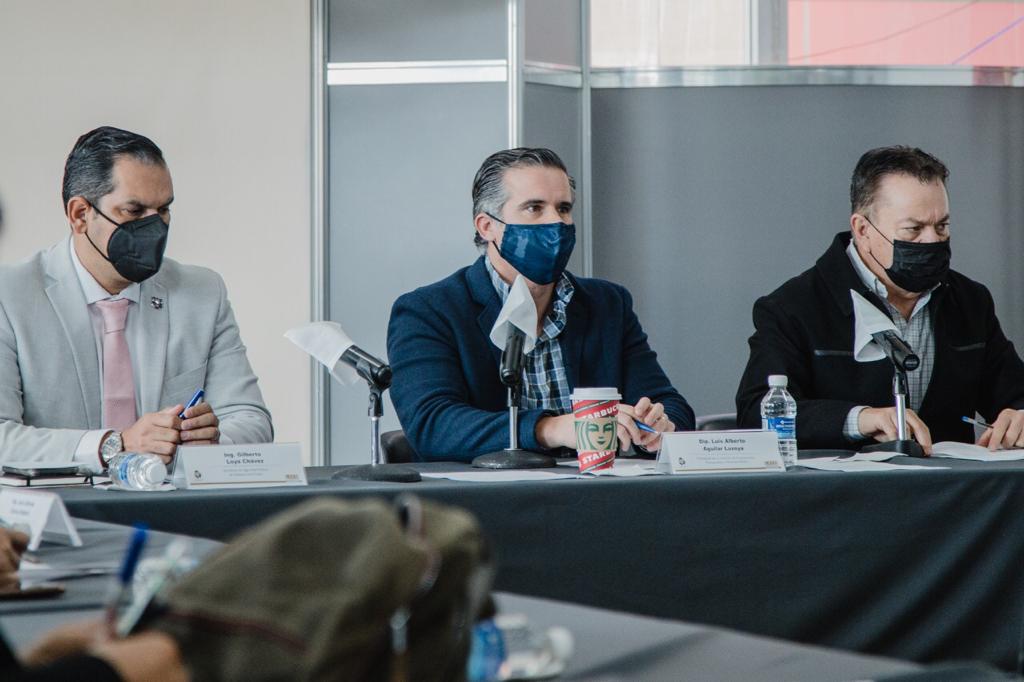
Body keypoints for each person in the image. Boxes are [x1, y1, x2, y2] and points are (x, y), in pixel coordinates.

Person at [388, 147, 693, 461]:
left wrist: (657, 425)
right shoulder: (428, 311)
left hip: (598, 487)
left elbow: (671, 405)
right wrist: (551, 428)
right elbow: (432, 425)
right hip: (489, 490)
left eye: (563, 208)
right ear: (487, 226)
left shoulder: (607, 304)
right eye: (534, 208)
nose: (556, 222)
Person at [0, 127, 272, 468]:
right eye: (134, 211)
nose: (154, 227)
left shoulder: (202, 293)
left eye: (163, 210)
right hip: (56, 500)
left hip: (169, 499)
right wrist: (115, 444)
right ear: (80, 215)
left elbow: (251, 419)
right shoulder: (11, 297)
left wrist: (213, 441)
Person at [736, 145, 1024, 452]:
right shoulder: (792, 308)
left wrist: (1019, 417)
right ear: (862, 230)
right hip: (846, 482)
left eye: (942, 226)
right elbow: (756, 413)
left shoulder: (970, 302)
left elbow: (1014, 394)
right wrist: (860, 420)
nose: (932, 240)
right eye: (913, 229)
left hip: (952, 481)